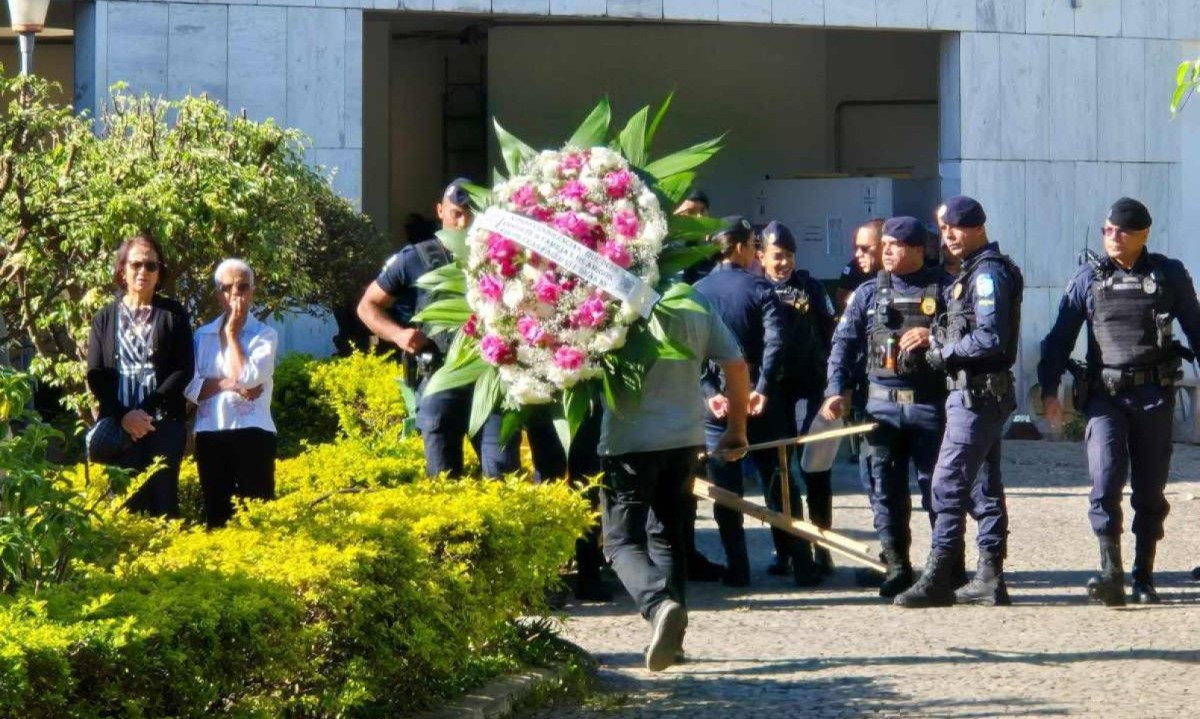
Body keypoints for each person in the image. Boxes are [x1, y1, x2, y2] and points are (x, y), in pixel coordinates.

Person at [1039, 198, 1200, 606]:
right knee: (1106, 480)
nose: (1112, 237)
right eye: (1107, 229)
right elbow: (1058, 338)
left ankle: (1144, 575)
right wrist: (1049, 390)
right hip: (1105, 396)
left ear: (1143, 235)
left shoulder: (1169, 275)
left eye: (1121, 231)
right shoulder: (1088, 280)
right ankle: (1111, 574)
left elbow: (1197, 329)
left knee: (1150, 489)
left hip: (1152, 394)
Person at [598, 288, 749, 672]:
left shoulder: (611, 296)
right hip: (685, 439)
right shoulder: (693, 300)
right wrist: (737, 428)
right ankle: (674, 642)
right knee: (668, 534)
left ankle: (658, 604)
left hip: (628, 441)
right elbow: (736, 364)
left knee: (619, 542)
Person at [895, 195, 1022, 608]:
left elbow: (991, 337)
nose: (947, 236)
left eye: (954, 227)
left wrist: (942, 353)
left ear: (976, 227)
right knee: (984, 485)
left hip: (977, 393)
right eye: (943, 228)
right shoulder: (973, 272)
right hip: (975, 392)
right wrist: (937, 338)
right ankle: (989, 576)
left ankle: (938, 577)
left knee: (946, 483)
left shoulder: (987, 275)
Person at [820, 217, 950, 597]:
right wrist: (835, 389)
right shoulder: (867, 294)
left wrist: (934, 334)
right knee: (883, 489)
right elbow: (842, 345)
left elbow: (966, 334)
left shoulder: (943, 289)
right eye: (886, 244)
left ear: (917, 249)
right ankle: (896, 564)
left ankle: (945, 565)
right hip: (882, 407)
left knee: (938, 490)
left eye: (896, 245)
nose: (887, 250)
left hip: (929, 406)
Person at [357, 180, 518, 478]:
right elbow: (367, 306)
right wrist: (398, 335)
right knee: (444, 482)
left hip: (490, 380)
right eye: (456, 213)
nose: (464, 222)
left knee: (504, 478)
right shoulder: (415, 258)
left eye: (471, 214)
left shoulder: (501, 259)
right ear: (440, 211)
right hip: (440, 376)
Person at [694, 216, 786, 587]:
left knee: (725, 491)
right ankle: (795, 559)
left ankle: (738, 567)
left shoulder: (696, 290)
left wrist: (709, 393)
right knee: (776, 480)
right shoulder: (761, 289)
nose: (754, 253)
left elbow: (689, 350)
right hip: (756, 402)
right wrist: (762, 387)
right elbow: (776, 342)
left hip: (717, 405)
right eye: (751, 246)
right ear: (738, 248)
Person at [86, 233, 193, 518]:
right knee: (124, 505)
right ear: (122, 269)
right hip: (119, 426)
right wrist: (124, 416)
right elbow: (96, 376)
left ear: (160, 272)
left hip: (163, 424)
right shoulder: (105, 318)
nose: (142, 272)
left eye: (151, 265)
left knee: (163, 503)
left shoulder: (172, 313)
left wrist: (143, 412)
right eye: (135, 265)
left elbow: (184, 369)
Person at [757, 221, 838, 585]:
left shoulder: (811, 287)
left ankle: (822, 545)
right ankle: (786, 548)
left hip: (809, 388)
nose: (784, 263)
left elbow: (832, 334)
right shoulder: (755, 290)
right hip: (773, 391)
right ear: (761, 257)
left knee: (814, 467)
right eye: (777, 256)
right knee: (778, 472)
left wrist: (836, 387)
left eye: (788, 255)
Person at [185, 259, 278, 529]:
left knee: (257, 516)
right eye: (227, 288)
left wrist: (232, 333)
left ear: (253, 291)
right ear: (217, 294)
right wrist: (232, 384)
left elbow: (249, 377)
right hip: (211, 431)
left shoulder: (265, 334)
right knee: (217, 516)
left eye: (242, 287)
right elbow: (191, 389)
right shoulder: (201, 336)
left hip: (254, 432)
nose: (235, 294)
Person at [835, 219, 885, 313]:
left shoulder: (902, 272)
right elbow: (842, 300)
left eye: (864, 248)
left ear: (884, 246)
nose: (858, 254)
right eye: (856, 248)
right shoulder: (853, 268)